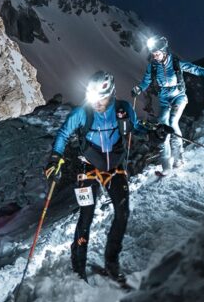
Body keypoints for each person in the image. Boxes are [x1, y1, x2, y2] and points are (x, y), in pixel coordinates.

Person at [44, 70, 155, 283]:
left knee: (122, 214)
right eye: (93, 97)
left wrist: (153, 131)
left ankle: (112, 262)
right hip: (89, 168)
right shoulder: (82, 112)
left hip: (115, 168)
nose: (96, 103)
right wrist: (55, 157)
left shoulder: (123, 109)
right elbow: (64, 133)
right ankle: (79, 267)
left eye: (101, 98)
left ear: (111, 93)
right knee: (86, 216)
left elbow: (136, 128)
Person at [132, 36, 204, 173]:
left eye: (157, 54)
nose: (155, 56)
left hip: (179, 97)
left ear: (164, 51)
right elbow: (146, 81)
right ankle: (166, 166)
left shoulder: (176, 63)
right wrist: (139, 88)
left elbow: (193, 69)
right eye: (153, 54)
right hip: (164, 99)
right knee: (162, 128)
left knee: (172, 122)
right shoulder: (152, 67)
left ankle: (179, 158)